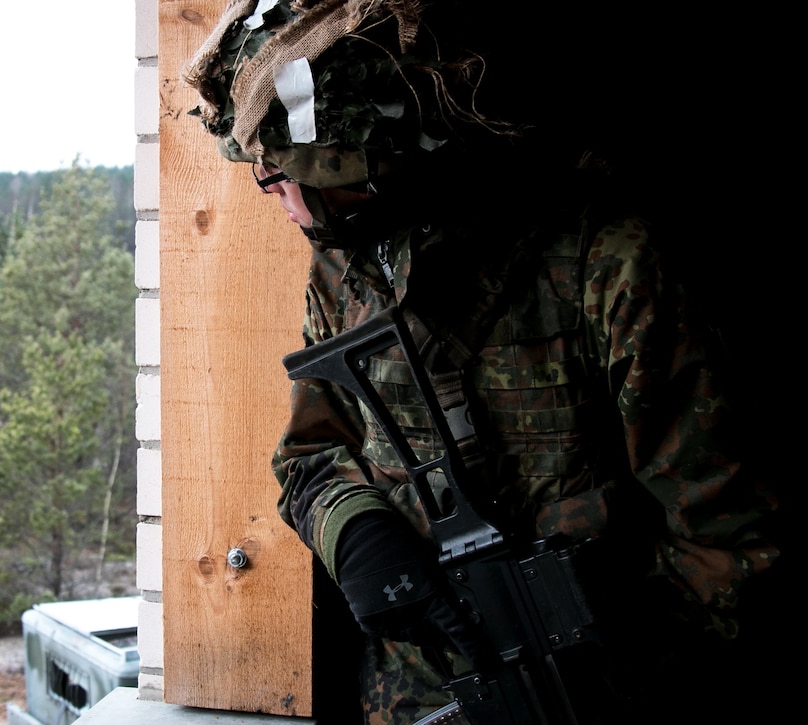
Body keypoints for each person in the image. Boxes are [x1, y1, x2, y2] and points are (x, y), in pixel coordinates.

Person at [185, 2, 783, 723]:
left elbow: (726, 531)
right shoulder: (346, 275)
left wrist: (637, 666)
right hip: (417, 699)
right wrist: (357, 535)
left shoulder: (603, 263)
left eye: (277, 177)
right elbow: (313, 457)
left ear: (360, 164)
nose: (276, 198)